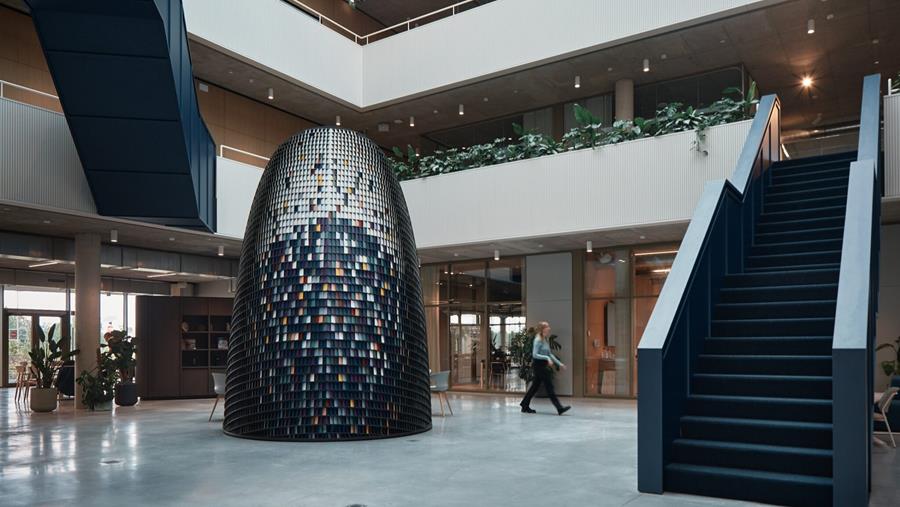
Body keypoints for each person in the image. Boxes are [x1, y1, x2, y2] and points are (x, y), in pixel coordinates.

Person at [519, 321, 571, 415]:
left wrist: (559, 364)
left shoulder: (545, 339)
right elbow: (535, 355)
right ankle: (559, 408)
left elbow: (550, 354)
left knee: (534, 387)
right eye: (547, 327)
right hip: (538, 365)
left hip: (542, 365)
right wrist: (546, 358)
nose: (549, 328)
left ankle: (524, 404)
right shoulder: (538, 340)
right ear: (543, 329)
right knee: (549, 386)